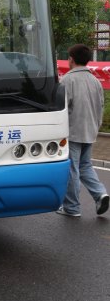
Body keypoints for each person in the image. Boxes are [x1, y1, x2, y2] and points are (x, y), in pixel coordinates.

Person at [57, 44, 109, 217]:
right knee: (85, 165)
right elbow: (101, 106)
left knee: (72, 169)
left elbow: (62, 108)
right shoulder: (95, 81)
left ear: (71, 59)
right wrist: (96, 127)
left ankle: (71, 207)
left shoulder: (67, 80)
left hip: (72, 132)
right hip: (90, 131)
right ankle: (100, 194)